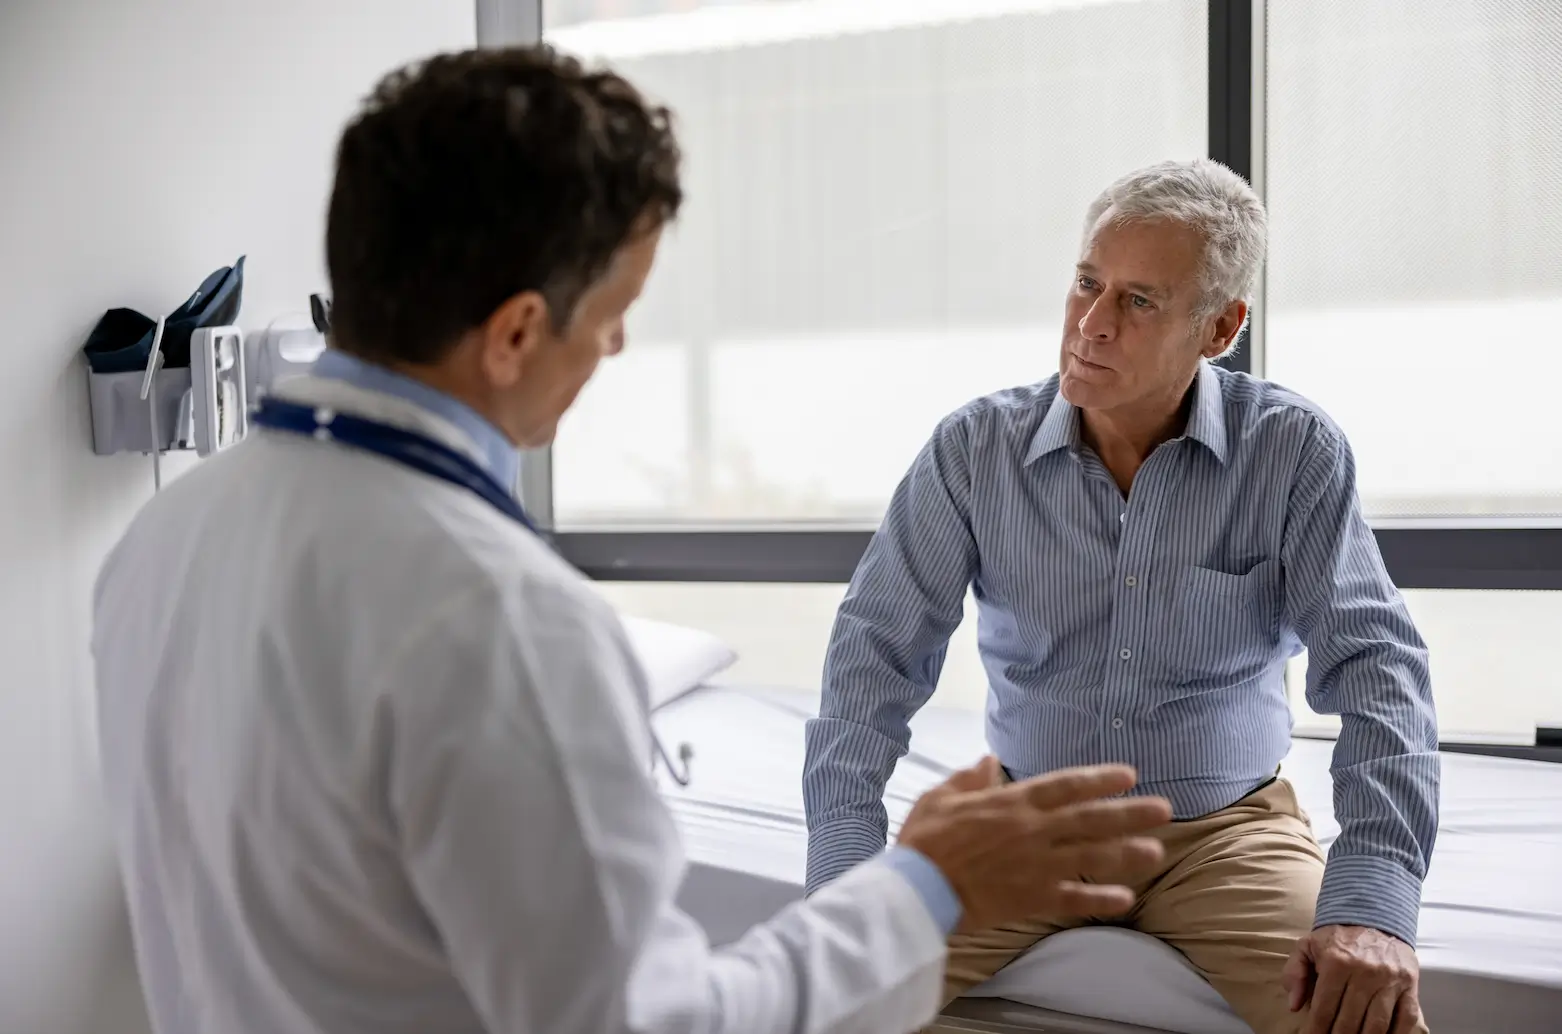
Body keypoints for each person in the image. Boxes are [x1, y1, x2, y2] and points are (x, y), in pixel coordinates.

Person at [89, 47, 1177, 1034]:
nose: (615, 342)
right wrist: (927, 881)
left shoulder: (165, 535)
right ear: (516, 330)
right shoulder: (502, 618)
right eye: (615, 307)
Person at [802, 159, 1441, 1034]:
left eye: (1139, 302)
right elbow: (870, 660)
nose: (1091, 326)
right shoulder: (972, 451)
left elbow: (1378, 669)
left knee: (1363, 1018)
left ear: (1220, 327)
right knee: (822, 999)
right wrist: (847, 875)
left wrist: (1372, 900)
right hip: (1025, 824)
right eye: (1086, 284)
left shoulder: (1292, 453)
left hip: (1226, 834)